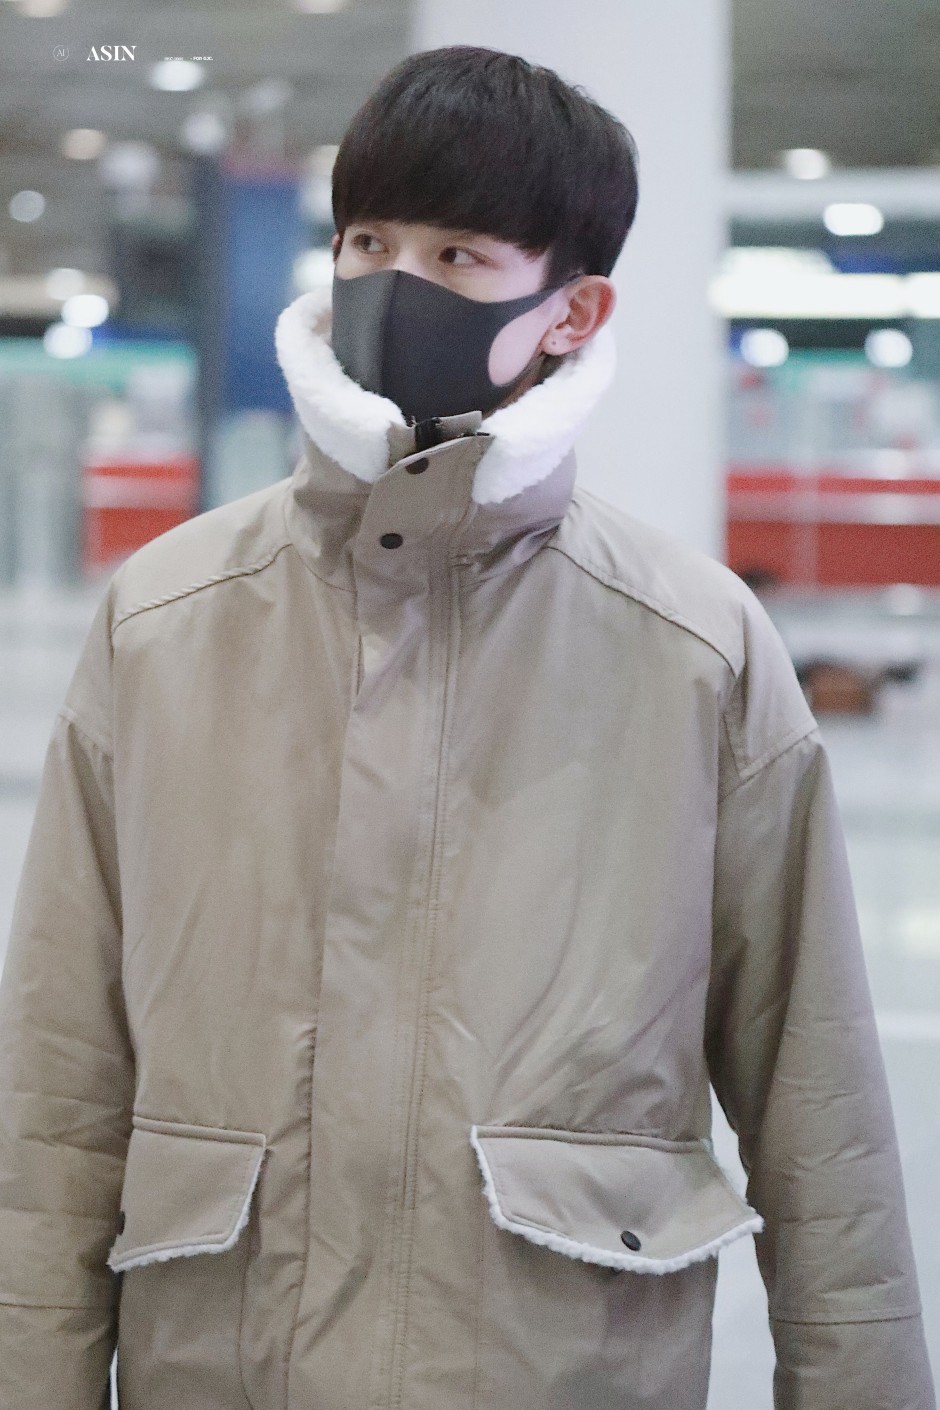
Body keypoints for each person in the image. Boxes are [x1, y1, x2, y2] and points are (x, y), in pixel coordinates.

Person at [0, 44, 933, 1410]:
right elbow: (61, 1078)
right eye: (368, 242)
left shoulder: (691, 648)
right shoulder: (167, 620)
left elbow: (819, 1098)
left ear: (573, 308)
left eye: (457, 255)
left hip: (555, 1367)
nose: (395, 284)